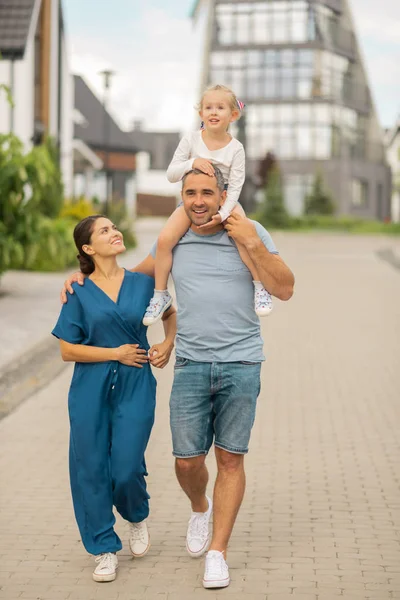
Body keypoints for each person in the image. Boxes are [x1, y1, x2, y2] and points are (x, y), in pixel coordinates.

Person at [61, 167, 294, 589]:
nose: (200, 200)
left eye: (208, 192)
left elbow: (285, 288)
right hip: (190, 364)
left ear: (225, 194)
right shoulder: (175, 241)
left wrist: (253, 242)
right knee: (187, 462)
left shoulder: (250, 231)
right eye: (191, 193)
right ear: (182, 198)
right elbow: (129, 281)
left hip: (242, 362)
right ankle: (199, 506)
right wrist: (83, 276)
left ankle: (218, 553)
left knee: (230, 458)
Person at [53, 215, 176, 583]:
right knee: (90, 467)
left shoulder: (143, 284)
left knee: (125, 467)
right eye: (104, 230)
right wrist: (113, 354)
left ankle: (136, 515)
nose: (114, 232)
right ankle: (104, 547)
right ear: (88, 248)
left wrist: (167, 343)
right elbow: (66, 349)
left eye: (113, 227)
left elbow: (168, 313)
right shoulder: (78, 291)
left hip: (136, 383)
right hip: (89, 389)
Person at [142, 84, 273, 327]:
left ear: (232, 115)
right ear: (201, 113)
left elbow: (235, 185)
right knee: (164, 240)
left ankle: (259, 287)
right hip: (194, 200)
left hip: (227, 202)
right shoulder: (191, 139)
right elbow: (172, 174)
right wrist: (194, 161)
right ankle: (160, 295)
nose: (213, 112)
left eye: (220, 107)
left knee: (244, 237)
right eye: (208, 107)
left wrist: (224, 213)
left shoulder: (236, 148)